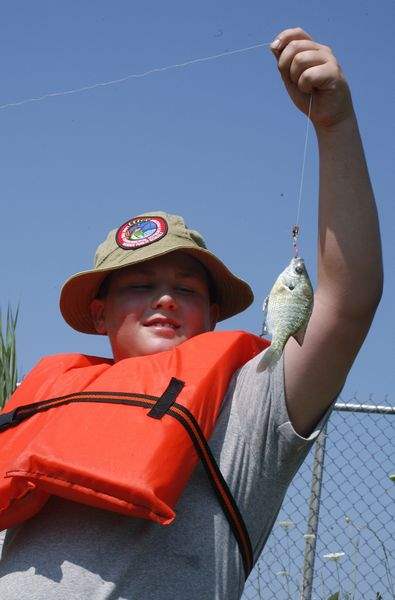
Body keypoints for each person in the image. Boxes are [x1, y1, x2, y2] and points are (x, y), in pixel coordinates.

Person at [0, 27, 383, 600]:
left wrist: (335, 127)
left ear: (211, 317)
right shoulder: (43, 398)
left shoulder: (251, 404)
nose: (165, 297)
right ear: (99, 315)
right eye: (139, 285)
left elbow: (348, 303)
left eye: (187, 288)